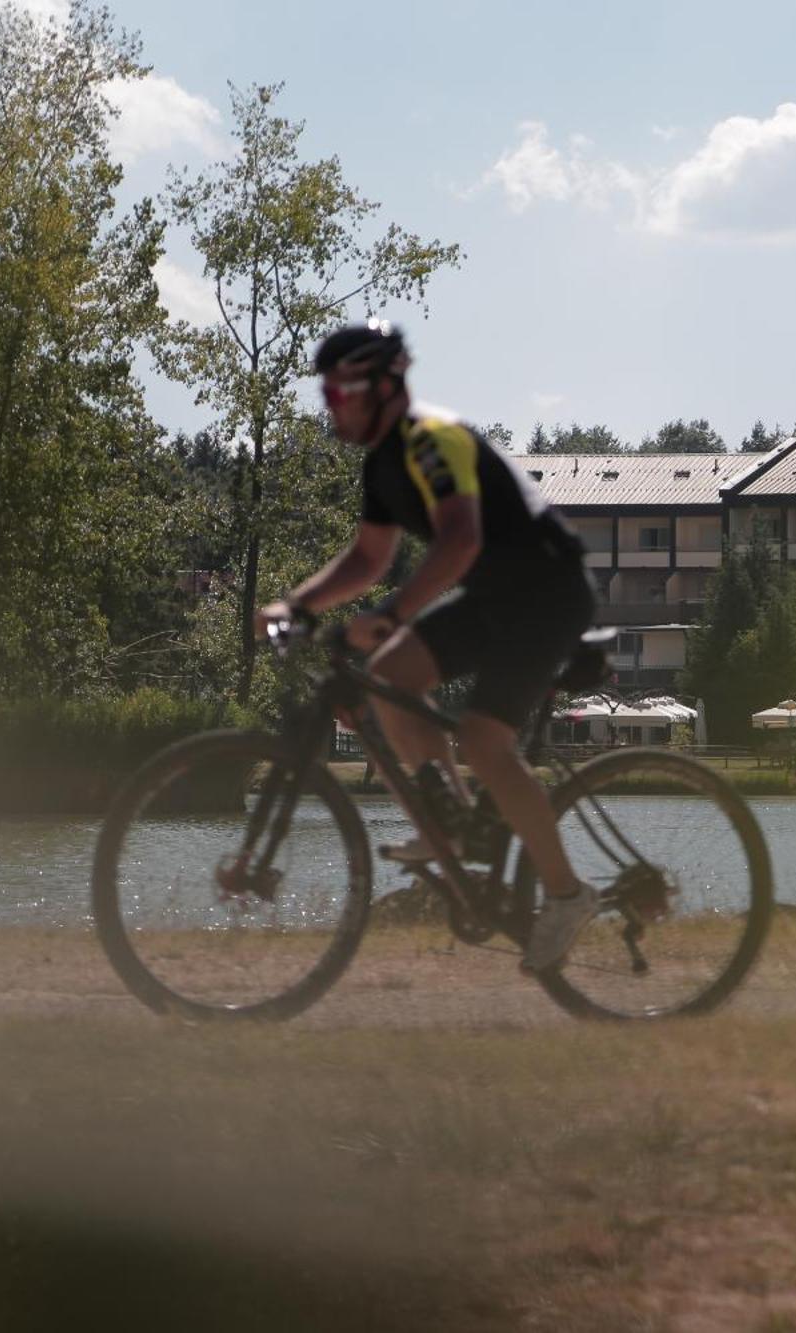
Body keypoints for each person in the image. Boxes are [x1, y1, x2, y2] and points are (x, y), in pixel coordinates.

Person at [254, 319, 599, 974]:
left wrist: (393, 611)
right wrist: (297, 604)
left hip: (548, 591)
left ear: (382, 388)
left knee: (483, 741)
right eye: (326, 396)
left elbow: (460, 540)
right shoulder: (382, 466)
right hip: (496, 599)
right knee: (391, 673)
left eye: (338, 394)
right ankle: (454, 825)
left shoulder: (431, 440)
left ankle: (567, 892)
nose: (331, 408)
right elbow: (367, 556)